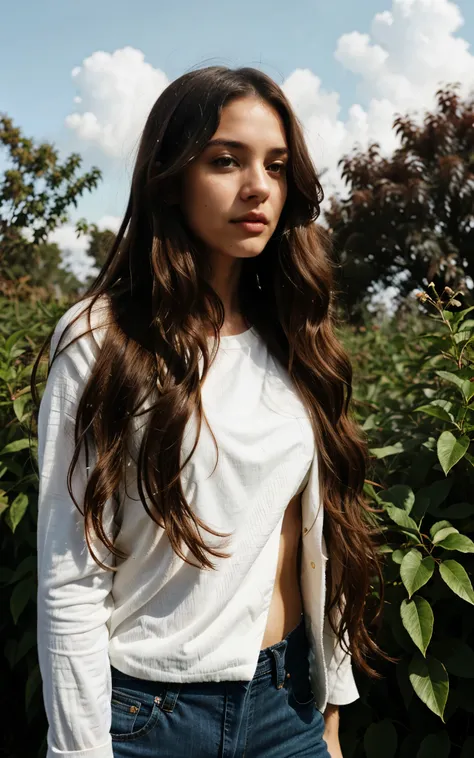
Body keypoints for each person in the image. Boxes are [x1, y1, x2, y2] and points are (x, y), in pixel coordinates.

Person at [32, 65, 384, 758]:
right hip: (146, 720)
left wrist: (332, 702)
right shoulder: (102, 339)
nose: (258, 187)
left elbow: (313, 533)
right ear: (171, 175)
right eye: (226, 161)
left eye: (277, 167)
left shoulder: (294, 334)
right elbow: (70, 574)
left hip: (288, 708)